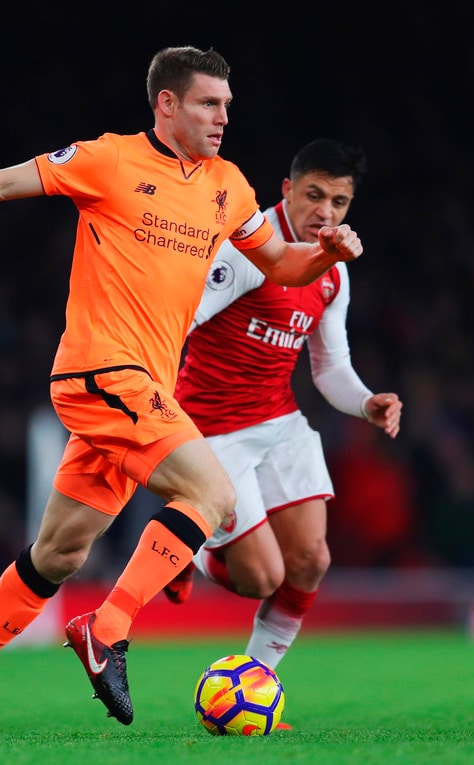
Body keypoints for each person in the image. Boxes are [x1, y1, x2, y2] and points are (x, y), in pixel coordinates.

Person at [0, 46, 364, 736]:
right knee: (212, 493)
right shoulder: (109, 160)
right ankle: (107, 628)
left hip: (143, 388)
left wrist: (326, 254)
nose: (223, 117)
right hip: (102, 373)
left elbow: (283, 264)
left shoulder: (228, 185)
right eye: (208, 103)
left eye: (227, 105)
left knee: (59, 553)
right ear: (167, 104)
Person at [164, 139, 402, 680]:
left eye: (339, 202)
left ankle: (254, 682)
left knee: (312, 561)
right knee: (260, 579)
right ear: (288, 190)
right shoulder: (249, 248)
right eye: (314, 195)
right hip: (212, 432)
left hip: (277, 421)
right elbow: (180, 319)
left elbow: (329, 365)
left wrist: (365, 401)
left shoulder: (332, 269)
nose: (325, 212)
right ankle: (181, 546)